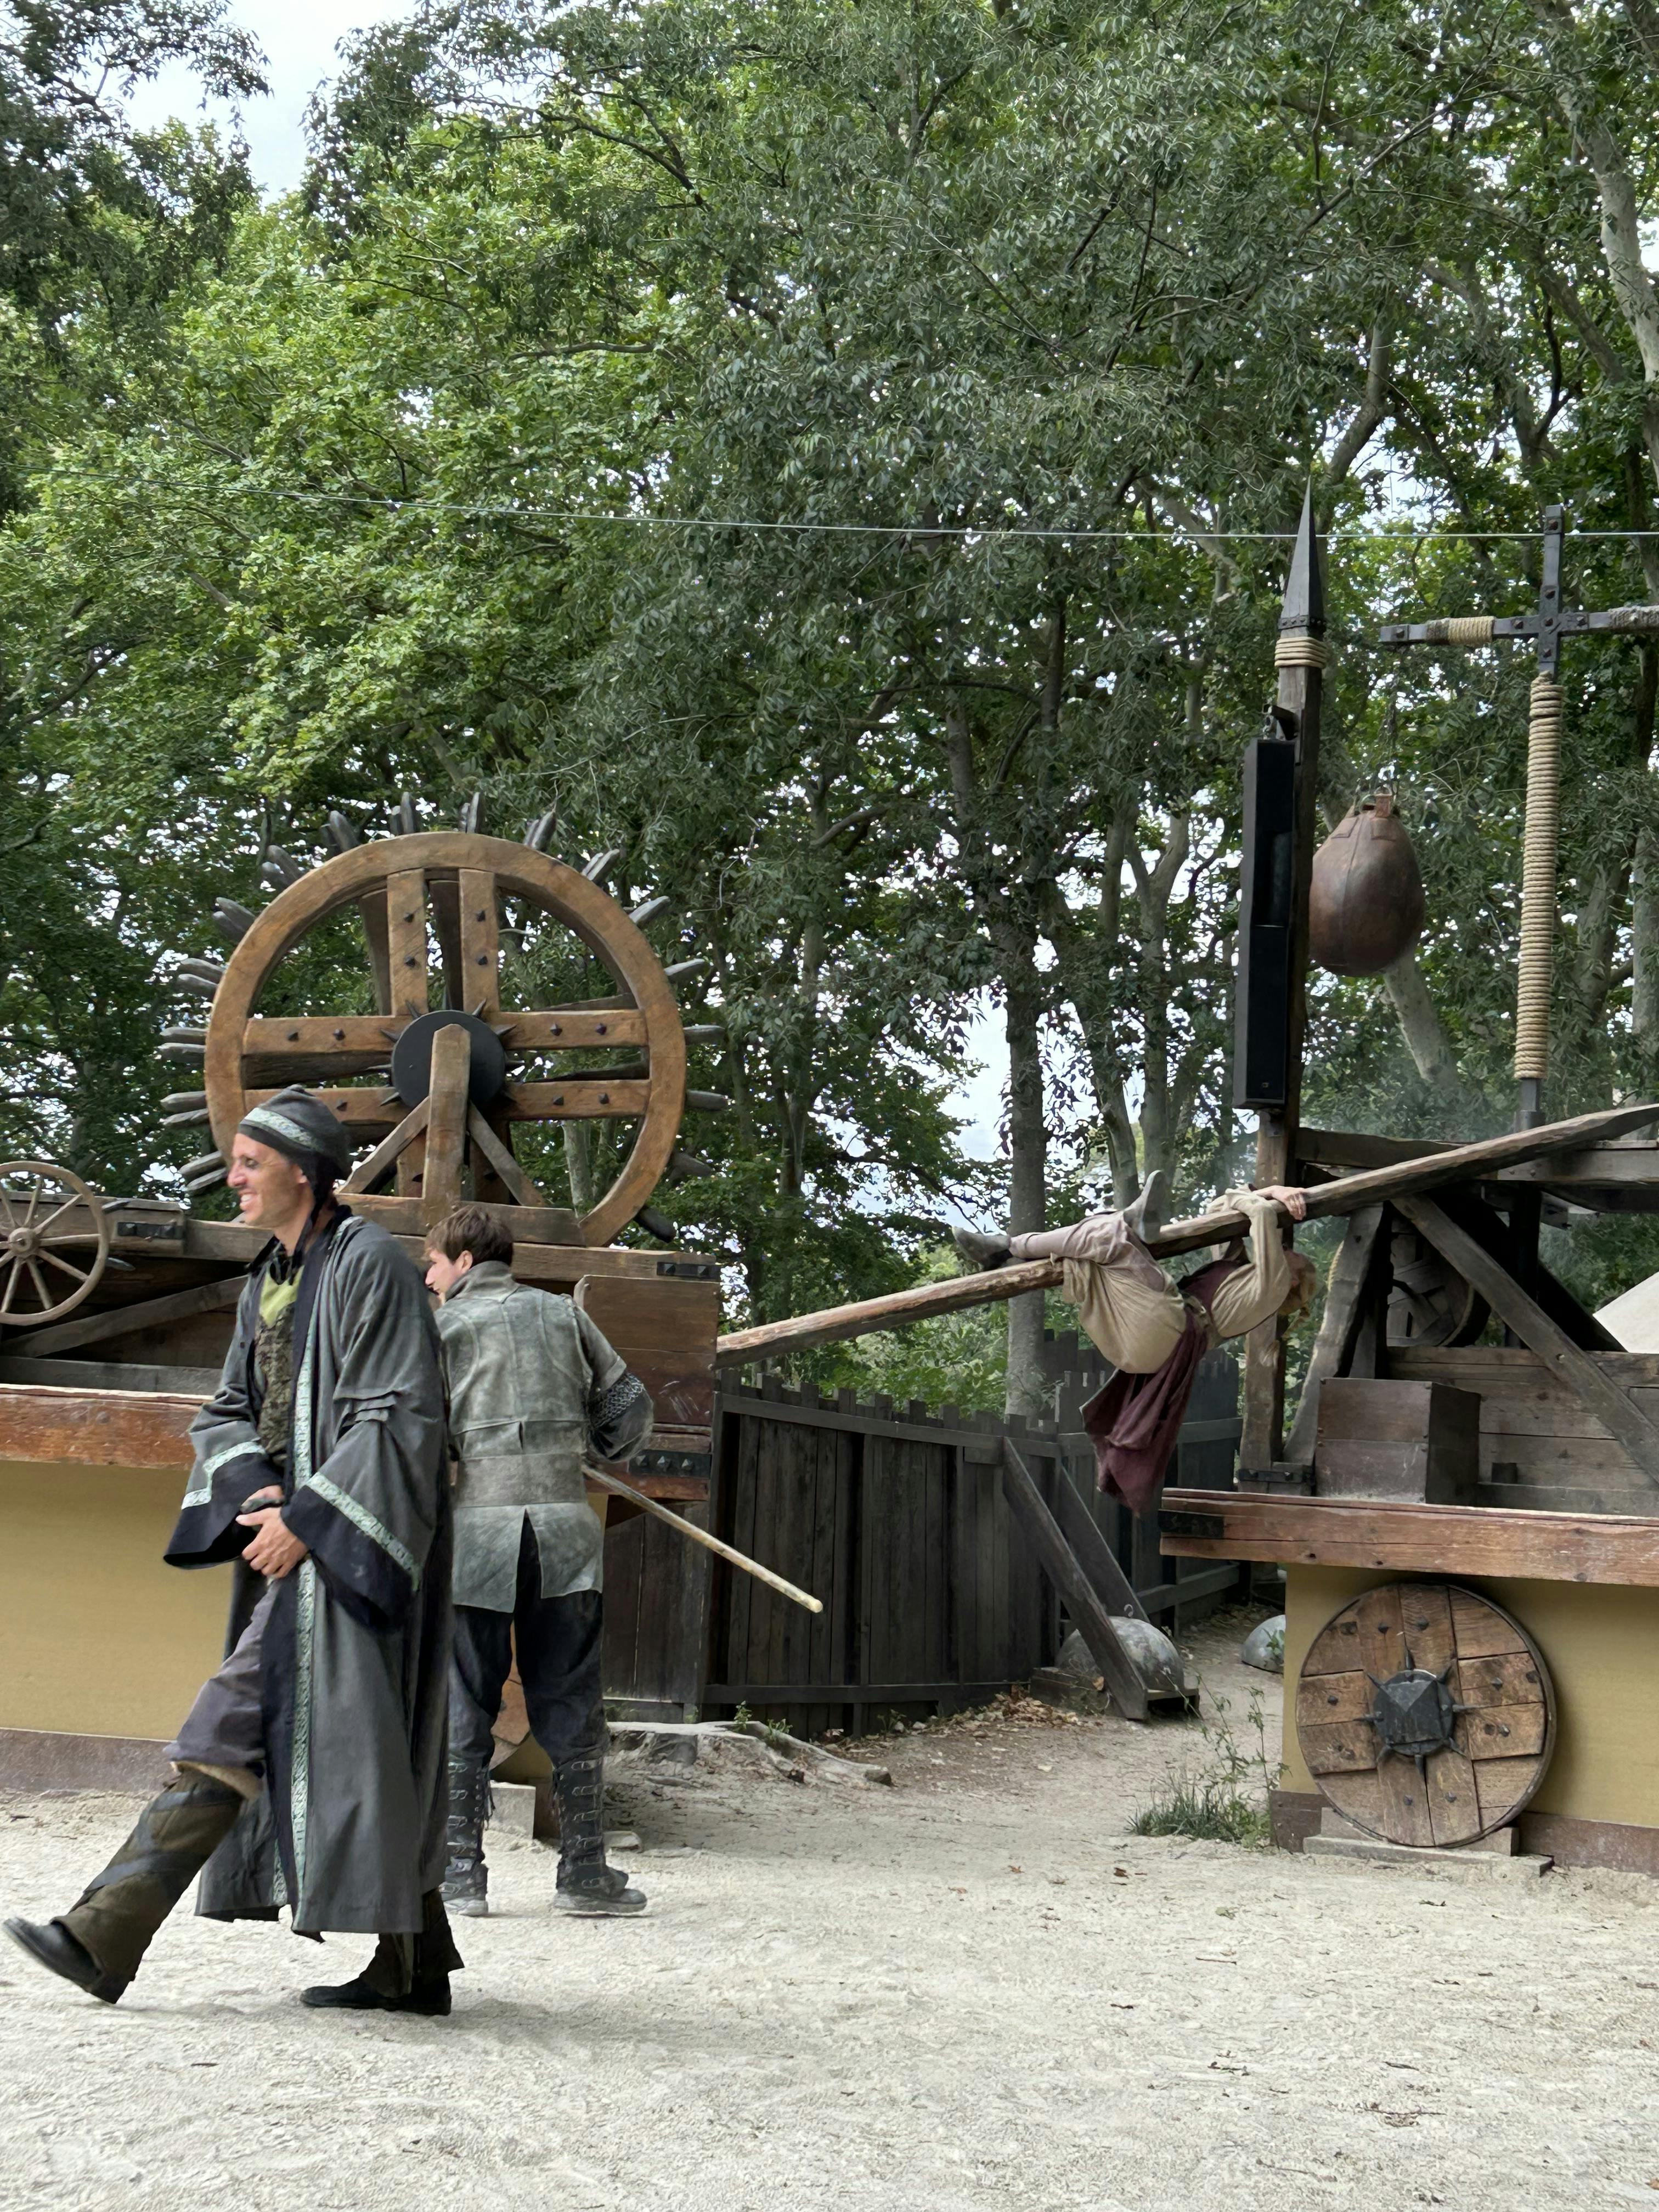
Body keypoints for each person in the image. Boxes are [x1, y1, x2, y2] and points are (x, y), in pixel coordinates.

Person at [4, 1086, 460, 2013]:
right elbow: (226, 1410)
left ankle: (102, 1933)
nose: (235, 1178)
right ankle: (412, 1968)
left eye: (251, 1164)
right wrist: (258, 1495)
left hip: (349, 1543)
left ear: (305, 1172)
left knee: (233, 1718)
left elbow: (400, 1412)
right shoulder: (269, 1279)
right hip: (294, 1536)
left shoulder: (370, 1263)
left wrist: (311, 1518)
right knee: (369, 1739)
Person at [424, 1204, 655, 1920]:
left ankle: (460, 1876)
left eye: (434, 1263)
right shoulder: (564, 1316)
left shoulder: (440, 1329)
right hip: (564, 1535)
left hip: (477, 1539)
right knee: (571, 1696)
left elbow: (414, 1430)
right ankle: (583, 1873)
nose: (429, 1278)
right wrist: (589, 1446)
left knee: (466, 1695)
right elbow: (630, 1409)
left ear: (464, 1260)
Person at [954, 1170, 1314, 1513]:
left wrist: (1273, 1194)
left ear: (1295, 1281)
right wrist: (1263, 1194)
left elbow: (1260, 1213)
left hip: (1169, 1334)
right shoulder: (1244, 1274)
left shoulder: (1274, 1286)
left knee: (1108, 1238)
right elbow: (1220, 1208)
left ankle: (1008, 1246)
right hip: (1159, 1336)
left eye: (1297, 1255)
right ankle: (1017, 1253)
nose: (1288, 1247)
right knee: (1102, 1233)